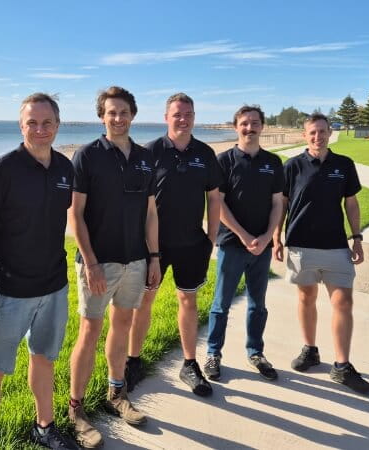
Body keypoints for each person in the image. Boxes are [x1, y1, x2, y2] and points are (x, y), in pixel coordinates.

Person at [0, 93, 78, 450]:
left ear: (58, 126)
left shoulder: (65, 168)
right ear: (21, 126)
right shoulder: (3, 169)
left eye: (47, 122)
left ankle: (44, 427)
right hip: (10, 290)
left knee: (44, 359)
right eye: (32, 122)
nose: (40, 129)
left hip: (54, 286)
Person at [67, 86, 161, 448]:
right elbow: (75, 214)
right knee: (89, 332)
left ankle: (115, 393)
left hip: (135, 259)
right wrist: (90, 262)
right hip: (98, 262)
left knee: (122, 325)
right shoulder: (87, 155)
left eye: (123, 112)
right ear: (102, 116)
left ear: (132, 115)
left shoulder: (143, 156)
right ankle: (76, 409)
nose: (118, 118)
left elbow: (151, 212)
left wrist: (153, 256)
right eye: (111, 112)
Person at [126, 93, 221, 396]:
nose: (183, 119)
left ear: (194, 117)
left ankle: (189, 365)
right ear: (166, 117)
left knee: (188, 301)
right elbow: (136, 200)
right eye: (177, 114)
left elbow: (215, 198)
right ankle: (133, 361)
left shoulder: (205, 154)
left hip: (192, 242)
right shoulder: (149, 152)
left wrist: (211, 237)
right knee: (145, 300)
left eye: (188, 114)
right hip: (153, 244)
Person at [273, 113, 369, 394]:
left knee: (343, 302)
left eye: (322, 131)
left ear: (330, 133)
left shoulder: (344, 165)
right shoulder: (291, 166)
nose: (317, 137)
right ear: (305, 136)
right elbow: (281, 204)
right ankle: (310, 350)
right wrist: (276, 238)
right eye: (312, 133)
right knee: (306, 298)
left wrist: (357, 238)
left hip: (336, 246)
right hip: (300, 245)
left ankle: (342, 366)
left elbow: (351, 204)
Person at [204, 105, 283, 382]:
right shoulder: (223, 161)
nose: (250, 128)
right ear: (235, 127)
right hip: (232, 244)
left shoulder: (273, 162)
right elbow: (218, 204)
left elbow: (277, 203)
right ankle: (213, 353)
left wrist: (267, 237)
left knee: (257, 304)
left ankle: (255, 352)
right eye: (244, 123)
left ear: (262, 126)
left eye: (255, 123)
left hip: (262, 247)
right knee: (220, 304)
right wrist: (244, 236)